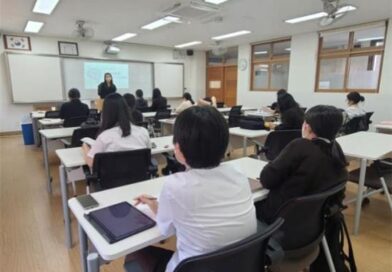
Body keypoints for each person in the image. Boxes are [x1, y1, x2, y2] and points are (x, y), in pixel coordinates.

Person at [127, 106, 257, 272]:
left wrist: (154, 206)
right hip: (240, 265)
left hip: (193, 268)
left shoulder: (175, 186)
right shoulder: (238, 174)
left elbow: (166, 230)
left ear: (178, 150)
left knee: (135, 254)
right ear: (225, 146)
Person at [255, 105, 348, 222]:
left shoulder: (300, 145)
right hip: (314, 220)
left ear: (307, 126)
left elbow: (266, 180)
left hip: (281, 216)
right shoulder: (336, 148)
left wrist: (273, 162)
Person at [82, 93, 151, 168]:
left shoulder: (104, 137)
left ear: (106, 113)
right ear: (126, 110)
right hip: (140, 178)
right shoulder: (143, 132)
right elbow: (148, 153)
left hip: (112, 179)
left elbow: (91, 162)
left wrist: (85, 146)